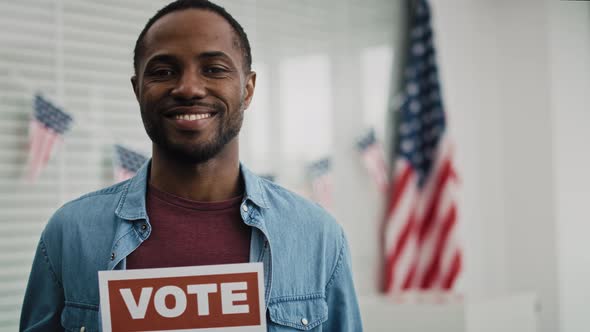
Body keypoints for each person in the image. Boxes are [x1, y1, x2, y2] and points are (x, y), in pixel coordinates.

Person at [19, 0, 363, 330]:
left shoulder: (317, 235)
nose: (188, 88)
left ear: (247, 88)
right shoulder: (71, 233)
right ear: (138, 90)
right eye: (164, 71)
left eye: (214, 69)